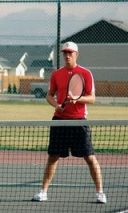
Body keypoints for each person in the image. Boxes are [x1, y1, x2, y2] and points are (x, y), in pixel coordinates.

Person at [32, 41, 107, 203]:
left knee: (89, 157)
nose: (67, 55)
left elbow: (92, 98)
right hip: (59, 121)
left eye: (70, 53)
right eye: (64, 52)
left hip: (79, 122)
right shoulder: (56, 74)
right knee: (53, 157)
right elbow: (49, 95)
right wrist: (56, 105)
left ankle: (100, 193)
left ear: (76, 55)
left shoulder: (85, 74)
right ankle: (43, 192)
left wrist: (77, 99)